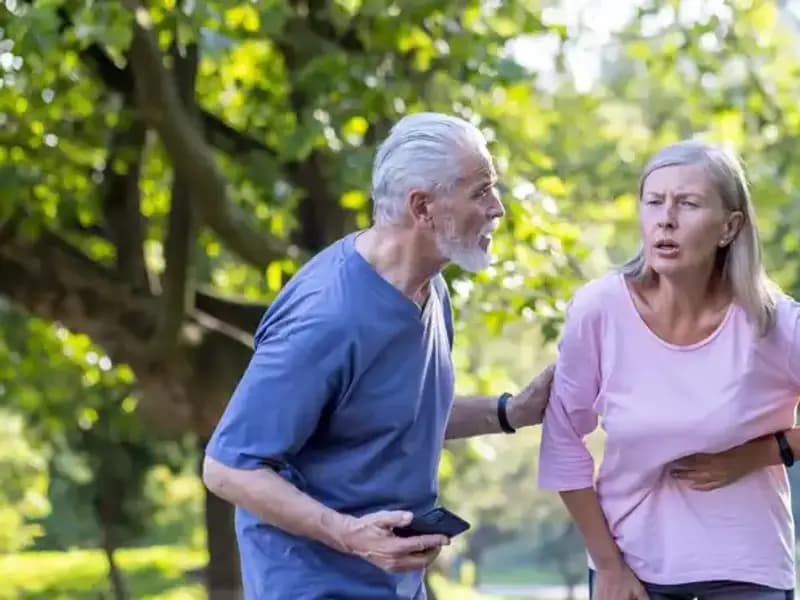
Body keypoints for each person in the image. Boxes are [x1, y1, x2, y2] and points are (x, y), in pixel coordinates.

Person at [202, 112, 555, 600]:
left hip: (395, 584)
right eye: (480, 191)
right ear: (423, 207)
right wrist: (349, 535)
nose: (497, 208)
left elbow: (393, 415)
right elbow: (228, 468)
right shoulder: (326, 317)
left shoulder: (430, 287)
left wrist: (509, 412)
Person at [538, 139, 800, 600]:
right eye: (654, 202)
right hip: (632, 569)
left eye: (688, 204)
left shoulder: (771, 321)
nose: (666, 219)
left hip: (748, 568)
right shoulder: (599, 310)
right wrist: (608, 567)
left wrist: (760, 453)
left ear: (729, 227)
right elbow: (562, 441)